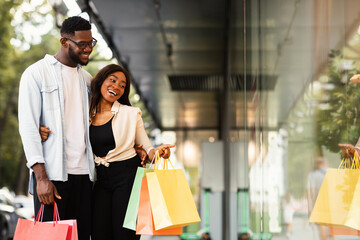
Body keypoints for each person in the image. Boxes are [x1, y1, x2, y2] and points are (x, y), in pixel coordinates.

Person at [18, 16, 97, 240]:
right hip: (53, 176)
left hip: (85, 176)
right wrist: (41, 178)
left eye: (91, 43)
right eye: (82, 44)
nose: (88, 48)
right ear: (64, 42)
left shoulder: (88, 80)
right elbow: (28, 127)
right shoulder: (36, 74)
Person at [89, 64, 175, 240]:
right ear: (101, 81)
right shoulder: (86, 113)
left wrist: (158, 153)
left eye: (122, 85)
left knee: (124, 235)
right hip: (101, 180)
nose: (117, 87)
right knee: (98, 233)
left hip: (128, 179)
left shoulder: (130, 114)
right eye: (112, 80)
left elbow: (147, 148)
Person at [306, 157, 333, 240]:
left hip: (319, 204)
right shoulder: (332, 172)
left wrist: (310, 207)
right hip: (332, 204)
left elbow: (311, 193)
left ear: (316, 164)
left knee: (321, 226)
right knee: (331, 227)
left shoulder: (312, 175)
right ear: (325, 163)